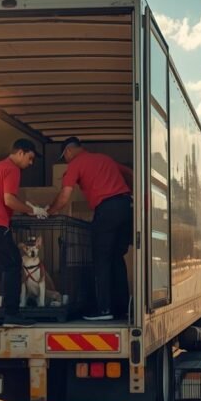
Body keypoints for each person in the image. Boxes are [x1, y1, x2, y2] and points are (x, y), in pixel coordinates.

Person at [47, 137, 133, 321]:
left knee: (101, 259)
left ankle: (104, 310)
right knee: (116, 258)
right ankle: (122, 308)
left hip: (107, 210)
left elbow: (64, 196)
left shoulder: (75, 164)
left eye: (65, 158)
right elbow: (131, 173)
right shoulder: (104, 159)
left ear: (68, 152)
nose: (66, 161)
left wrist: (48, 212)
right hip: (126, 207)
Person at [0, 138, 49, 328]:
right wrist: (33, 211)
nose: (30, 164)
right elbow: (8, 200)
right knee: (13, 264)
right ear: (20, 152)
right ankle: (12, 315)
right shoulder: (12, 169)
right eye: (29, 158)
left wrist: (26, 205)